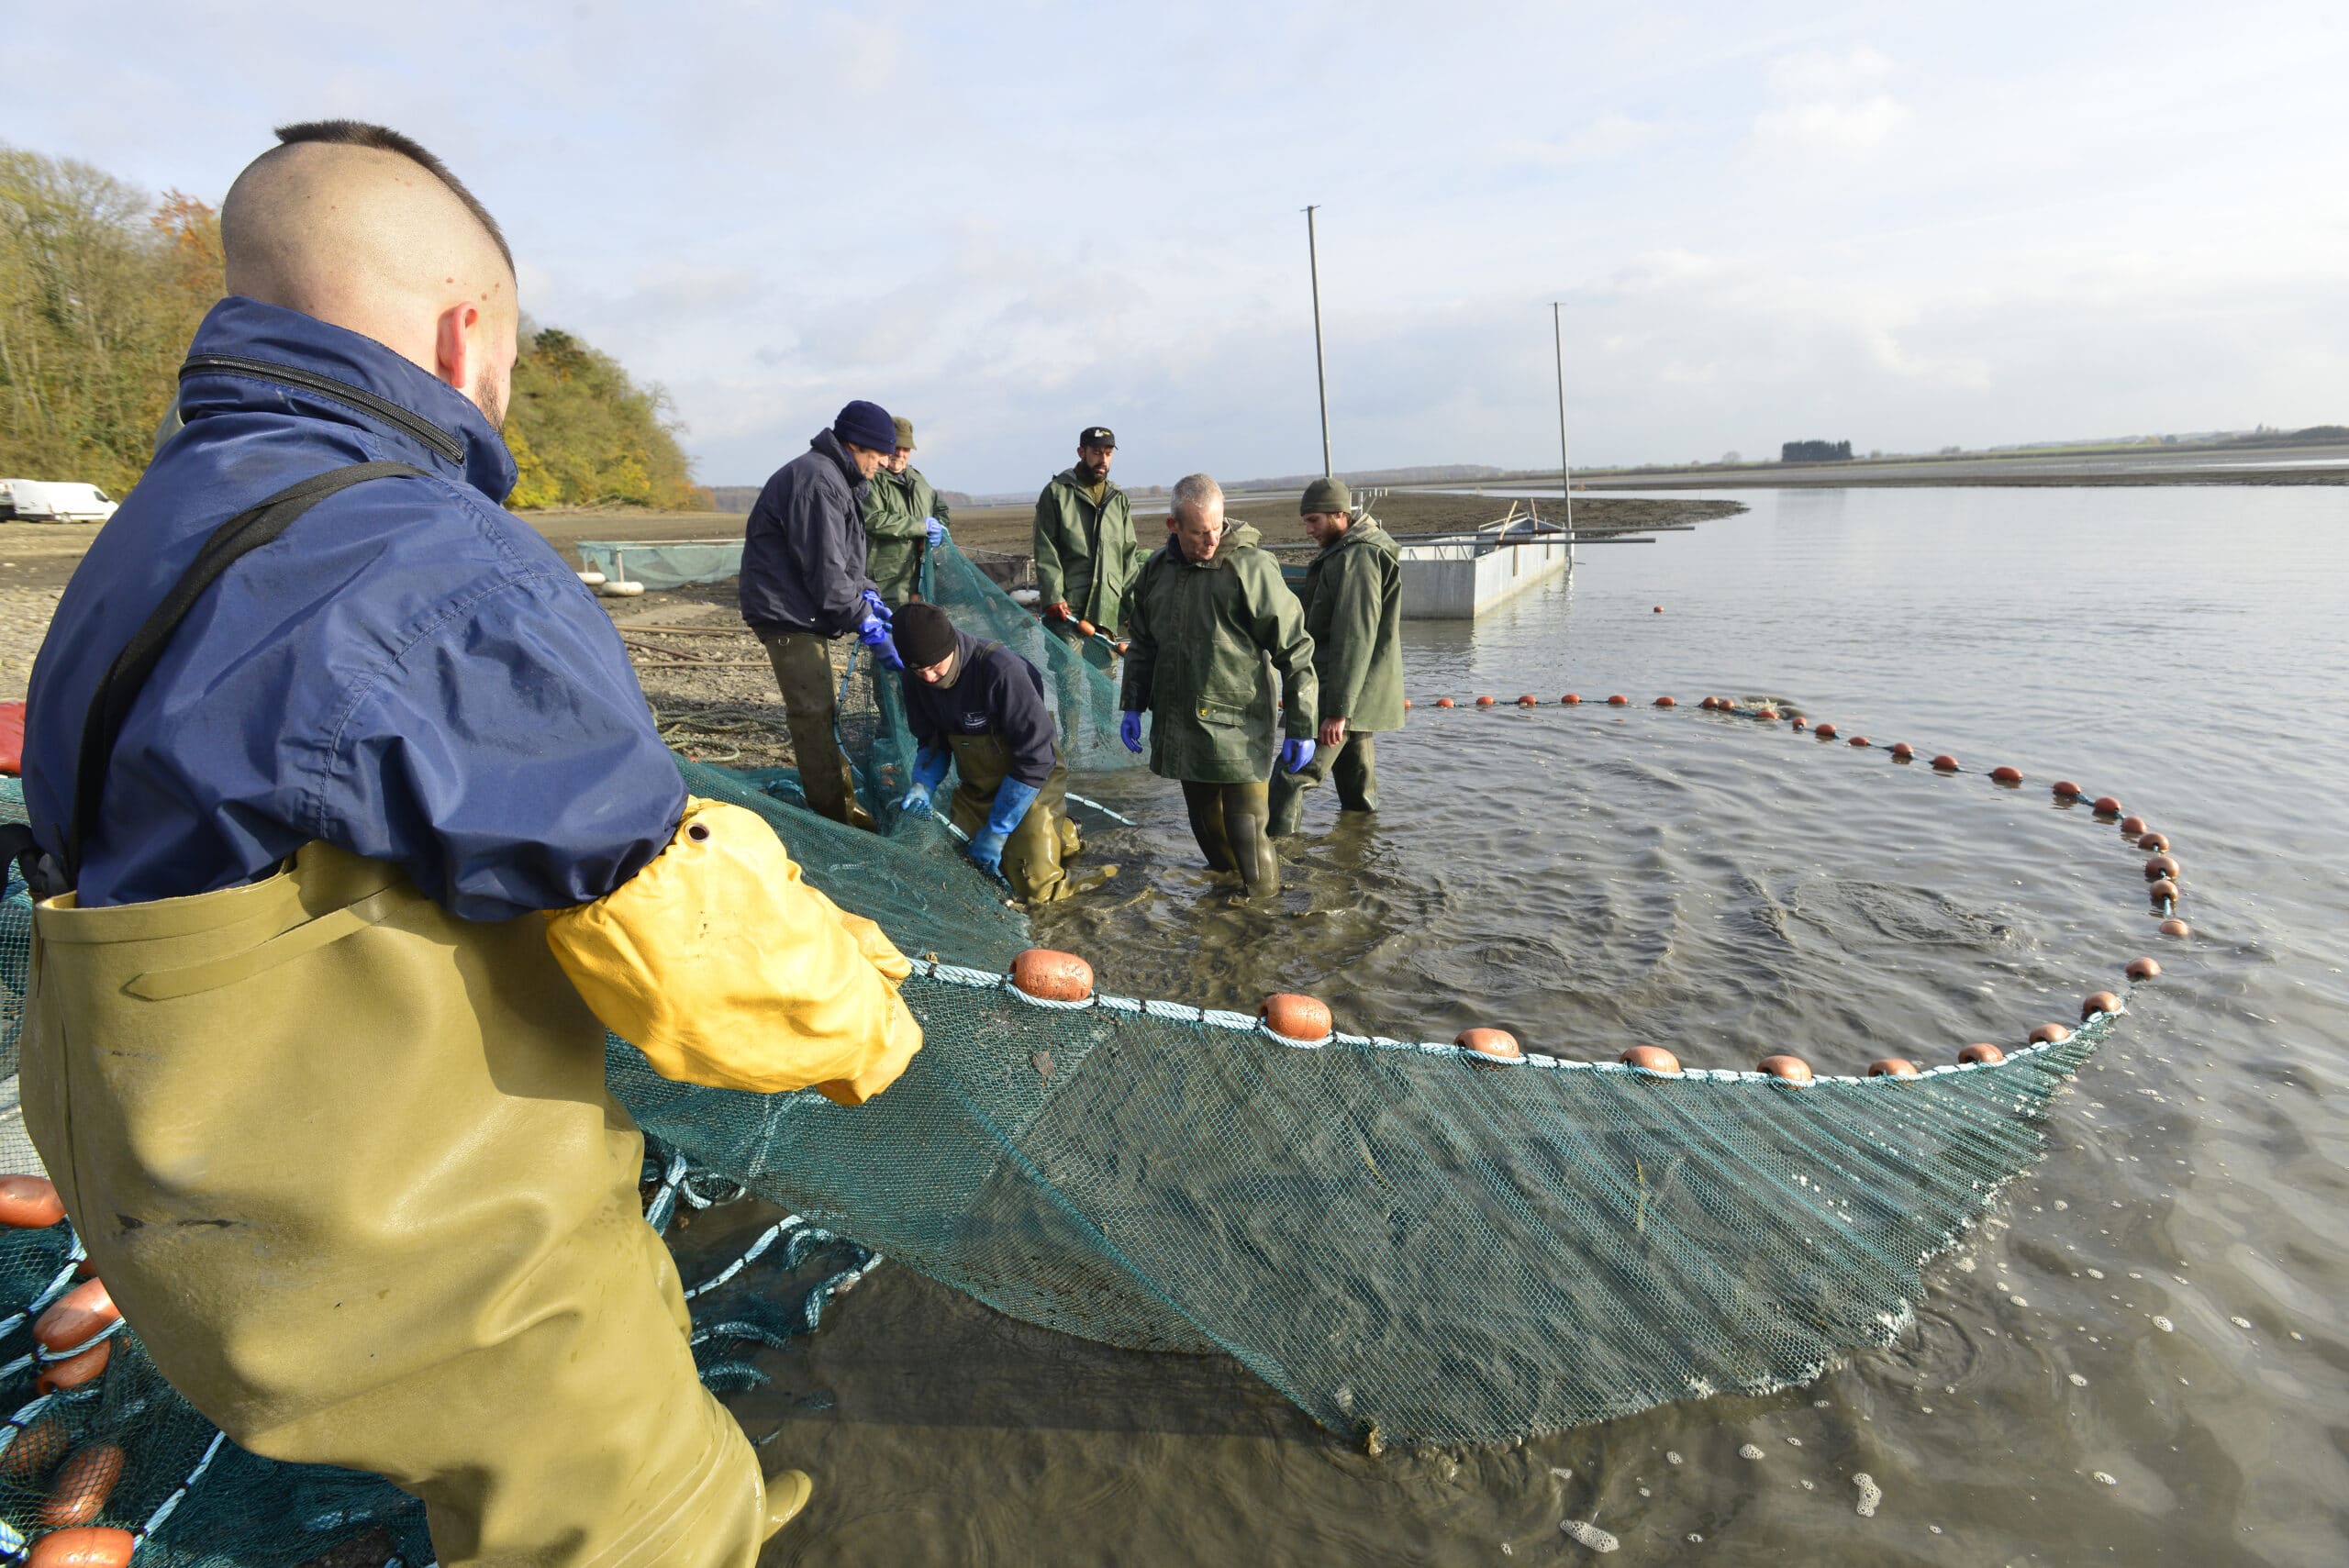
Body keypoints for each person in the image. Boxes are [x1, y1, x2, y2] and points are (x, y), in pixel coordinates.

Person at [6, 121, 919, 1567]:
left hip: (183, 1234)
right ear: (462, 330)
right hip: (388, 1248)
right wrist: (872, 1016)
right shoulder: (439, 564)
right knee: (654, 1521)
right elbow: (683, 947)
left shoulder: (156, 523)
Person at [1119, 474, 1317, 902]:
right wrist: (1132, 704)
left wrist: (1302, 725)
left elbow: (1296, 650)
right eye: (1198, 532)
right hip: (1183, 723)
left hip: (1240, 724)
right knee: (1205, 825)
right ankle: (1225, 906)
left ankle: (1264, 915)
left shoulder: (1251, 567)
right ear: (1174, 526)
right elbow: (1143, 643)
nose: (1211, 540)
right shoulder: (1156, 571)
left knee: (1248, 830)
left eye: (1217, 528)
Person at [740, 398, 904, 828]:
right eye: (881, 453)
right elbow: (828, 574)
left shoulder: (837, 479)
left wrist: (870, 595)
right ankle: (835, 818)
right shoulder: (817, 481)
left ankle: (842, 801)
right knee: (814, 714)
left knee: (823, 713)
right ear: (856, 445)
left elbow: (848, 564)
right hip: (787, 615)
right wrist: (862, 619)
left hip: (803, 611)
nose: (886, 462)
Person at [890, 604, 1117, 902]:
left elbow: (1036, 758)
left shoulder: (1001, 669)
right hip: (977, 784)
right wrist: (923, 784)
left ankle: (1088, 857)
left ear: (953, 647)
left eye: (936, 667)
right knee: (955, 861)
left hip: (1033, 779)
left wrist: (998, 829)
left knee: (1036, 890)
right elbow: (933, 743)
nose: (930, 678)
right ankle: (1050, 836)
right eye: (920, 671)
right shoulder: (914, 680)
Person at [1268, 477, 1404, 837]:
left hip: (1340, 690)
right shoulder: (1349, 550)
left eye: (1314, 520)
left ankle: (1273, 859)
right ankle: (1359, 853)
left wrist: (1338, 711)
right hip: (1362, 690)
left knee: (1292, 775)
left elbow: (1354, 636)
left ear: (1340, 515)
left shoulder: (1358, 557)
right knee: (1357, 788)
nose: (1308, 529)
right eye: (1305, 521)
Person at [1031, 425, 1136, 671]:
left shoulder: (1118, 499)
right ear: (1081, 452)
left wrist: (1134, 609)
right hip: (1067, 608)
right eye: (1097, 452)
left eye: (1108, 453)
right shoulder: (1056, 493)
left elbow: (1128, 557)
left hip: (1106, 607)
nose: (1103, 460)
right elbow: (1045, 547)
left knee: (1105, 679)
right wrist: (1054, 596)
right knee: (1069, 677)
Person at [861, 415, 951, 608]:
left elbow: (940, 508)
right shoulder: (871, 479)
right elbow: (874, 519)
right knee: (888, 632)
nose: (900, 454)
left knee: (920, 631)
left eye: (906, 449)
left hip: (922, 578)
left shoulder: (918, 479)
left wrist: (940, 528)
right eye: (896, 447)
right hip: (886, 581)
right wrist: (921, 526)